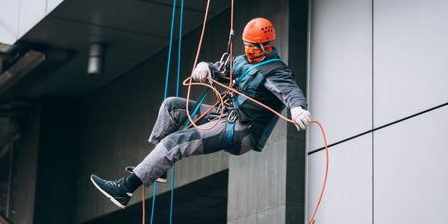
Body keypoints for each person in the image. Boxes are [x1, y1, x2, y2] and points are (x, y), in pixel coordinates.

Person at [90, 18, 312, 209]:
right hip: (224, 115)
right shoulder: (243, 61)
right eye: (246, 46)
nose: (249, 51)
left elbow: (290, 91)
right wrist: (206, 66)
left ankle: (125, 189)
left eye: (254, 47)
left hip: (241, 131)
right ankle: (158, 169)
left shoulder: (276, 71)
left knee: (175, 142)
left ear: (266, 45)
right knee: (172, 106)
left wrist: (297, 107)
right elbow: (220, 69)